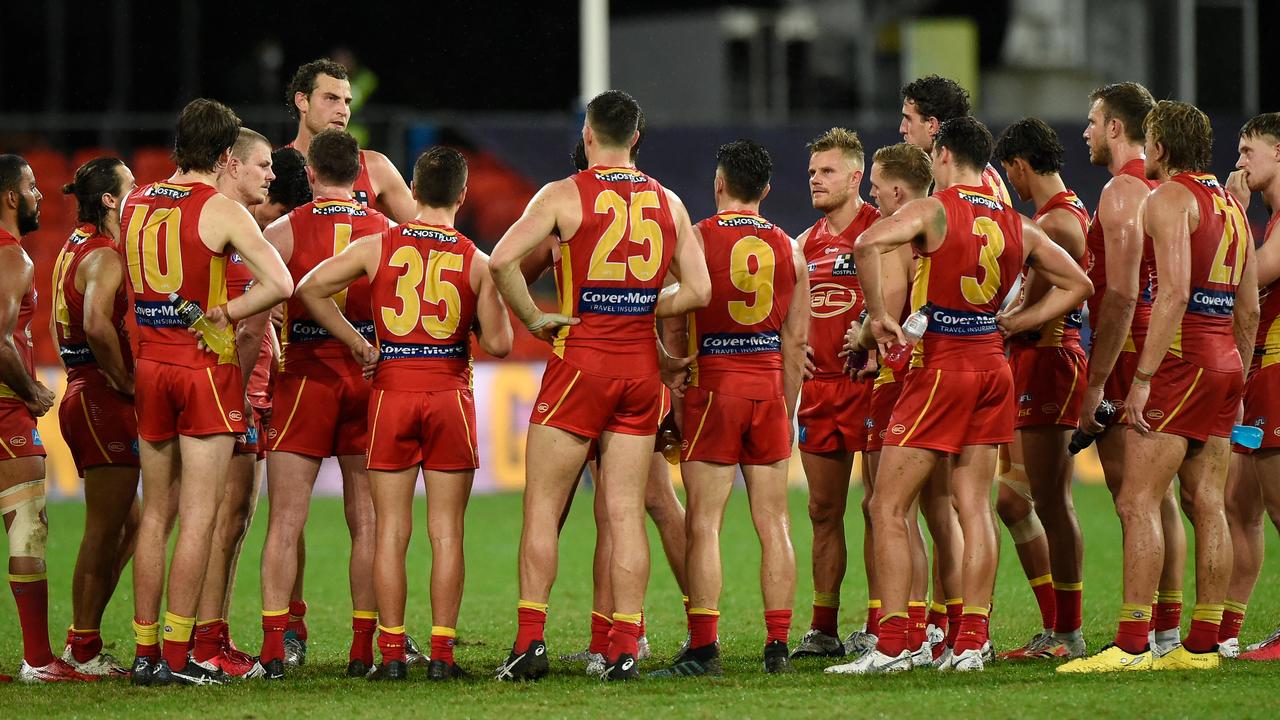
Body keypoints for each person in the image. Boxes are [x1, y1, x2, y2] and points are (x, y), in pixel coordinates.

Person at [829, 116, 1091, 675]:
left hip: (942, 365)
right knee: (975, 507)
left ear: (943, 153)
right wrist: (1016, 320)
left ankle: (895, 644)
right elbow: (1079, 285)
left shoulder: (937, 208)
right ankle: (972, 641)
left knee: (887, 505)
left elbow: (870, 242)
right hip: (993, 368)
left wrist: (877, 318)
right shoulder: (1018, 223)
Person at [490, 89, 710, 681]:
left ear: (588, 134)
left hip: (580, 364)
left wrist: (535, 319)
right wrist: (643, 306)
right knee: (624, 514)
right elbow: (700, 291)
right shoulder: (670, 201)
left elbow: (500, 260)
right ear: (637, 138)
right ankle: (621, 647)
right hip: (640, 372)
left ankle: (530, 643)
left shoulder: (564, 194)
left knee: (542, 508)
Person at [297, 146, 512, 681]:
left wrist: (358, 344)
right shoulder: (477, 261)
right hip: (447, 395)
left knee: (390, 530)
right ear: (463, 196)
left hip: (391, 392)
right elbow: (503, 344)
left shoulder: (378, 245)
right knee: (447, 533)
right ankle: (441, 655)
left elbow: (309, 289)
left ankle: (390, 655)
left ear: (412, 192)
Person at [1061, 101, 1259, 673]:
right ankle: (1202, 646)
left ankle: (1130, 644)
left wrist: (1144, 379)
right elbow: (1246, 310)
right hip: (1223, 358)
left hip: (1182, 359)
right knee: (1208, 502)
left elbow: (1170, 293)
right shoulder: (1233, 207)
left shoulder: (1171, 199)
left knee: (1137, 499)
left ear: (1163, 148)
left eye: (1150, 142)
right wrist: (1235, 377)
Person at [123, 99, 292, 687]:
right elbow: (280, 282)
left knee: (156, 515)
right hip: (203, 369)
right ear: (225, 155)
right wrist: (226, 308)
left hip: (151, 366)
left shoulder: (134, 201)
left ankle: (143, 652)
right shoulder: (218, 209)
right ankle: (176, 654)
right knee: (199, 518)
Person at [649, 140, 808, 677]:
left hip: (712, 385)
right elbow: (795, 345)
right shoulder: (791, 249)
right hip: (767, 386)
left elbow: (673, 319)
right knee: (775, 522)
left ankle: (704, 647)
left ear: (719, 184)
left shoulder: (694, 239)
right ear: (765, 190)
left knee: (704, 524)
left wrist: (674, 399)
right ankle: (778, 645)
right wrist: (784, 412)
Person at [252, 129, 393, 680]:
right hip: (365, 378)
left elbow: (259, 307)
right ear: (359, 175)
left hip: (304, 376)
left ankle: (273, 648)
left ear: (309, 174)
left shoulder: (283, 229)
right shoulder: (384, 230)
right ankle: (364, 649)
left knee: (285, 520)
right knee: (367, 522)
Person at [1076, 83, 1188, 656]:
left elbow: (1119, 295)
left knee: (1133, 499)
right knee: (1162, 497)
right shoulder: (1168, 187)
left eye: (1093, 122)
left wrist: (1096, 384)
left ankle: (1134, 639)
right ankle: (1167, 633)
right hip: (1170, 349)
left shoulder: (1122, 189)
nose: (1087, 132)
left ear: (1116, 127)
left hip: (1129, 350)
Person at [992, 118, 1090, 659]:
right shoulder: (1059, 214)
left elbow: (1071, 295)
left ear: (1019, 166)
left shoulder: (1057, 222)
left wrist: (1011, 320)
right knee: (1013, 501)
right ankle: (1056, 627)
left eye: (1012, 173)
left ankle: (1069, 633)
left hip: (1052, 361)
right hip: (1033, 363)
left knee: (1052, 501)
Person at [788, 128, 882, 659]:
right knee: (823, 510)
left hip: (869, 388)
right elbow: (785, 314)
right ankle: (824, 627)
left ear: (855, 175)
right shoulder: (804, 245)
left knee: (879, 507)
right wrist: (790, 348)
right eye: (810, 173)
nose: (815, 181)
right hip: (820, 390)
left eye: (825, 172)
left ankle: (878, 623)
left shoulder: (882, 232)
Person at [0, 154, 93, 683]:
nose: (40, 196)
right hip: (6, 408)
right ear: (12, 197)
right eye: (32, 188)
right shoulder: (13, 258)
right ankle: (38, 659)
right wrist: (31, 389)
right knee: (27, 530)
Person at [842, 142, 934, 665]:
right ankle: (938, 631)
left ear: (897, 190)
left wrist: (863, 332)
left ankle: (898, 636)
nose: (871, 196)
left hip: (902, 376)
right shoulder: (947, 225)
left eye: (875, 186)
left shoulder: (897, 234)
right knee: (931, 509)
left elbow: (892, 309)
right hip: (947, 368)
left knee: (888, 508)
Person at [192, 128, 277, 678]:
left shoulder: (214, 228)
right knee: (226, 520)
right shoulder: (231, 230)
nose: (270, 175)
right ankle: (205, 642)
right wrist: (241, 396)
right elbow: (248, 332)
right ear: (232, 165)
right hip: (233, 394)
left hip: (212, 388)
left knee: (211, 519)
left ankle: (187, 638)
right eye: (263, 166)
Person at [51, 158, 140, 677]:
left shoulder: (74, 246)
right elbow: (97, 324)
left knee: (128, 523)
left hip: (81, 389)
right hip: (98, 396)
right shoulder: (106, 254)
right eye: (130, 186)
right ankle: (82, 649)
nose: (138, 193)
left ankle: (81, 639)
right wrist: (124, 380)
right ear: (110, 199)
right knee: (106, 528)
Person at [1223, 112, 1280, 661]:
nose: (1238, 163)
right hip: (1260, 373)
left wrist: (1232, 217)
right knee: (1239, 506)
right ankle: (1227, 628)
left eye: (1247, 151)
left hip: (1279, 374)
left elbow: (1252, 275)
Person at [285, 58, 415, 222]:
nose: (343, 110)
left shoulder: (376, 167)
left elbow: (424, 233)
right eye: (331, 98)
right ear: (302, 101)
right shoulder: (272, 169)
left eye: (346, 102)